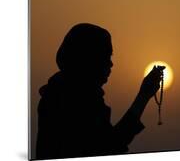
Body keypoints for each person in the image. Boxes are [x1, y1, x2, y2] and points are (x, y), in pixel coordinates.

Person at [36, 23, 165, 159]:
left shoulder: (59, 92)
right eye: (105, 56)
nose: (110, 64)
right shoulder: (76, 100)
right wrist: (143, 96)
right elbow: (110, 145)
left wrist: (143, 95)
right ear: (87, 59)